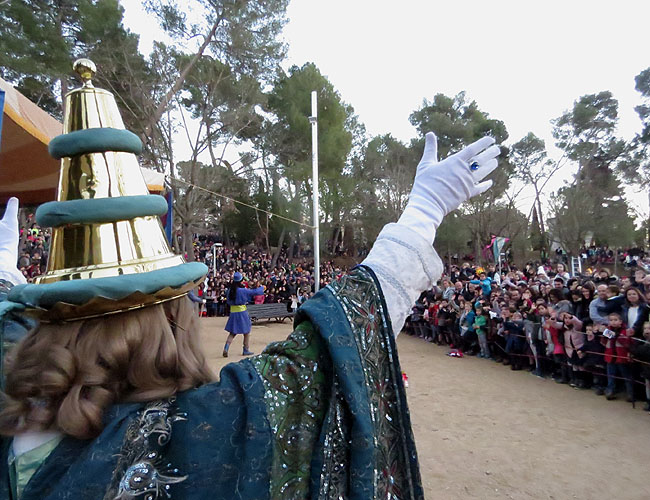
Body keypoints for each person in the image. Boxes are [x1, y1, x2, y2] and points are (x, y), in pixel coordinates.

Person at [0, 62, 502, 499]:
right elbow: (326, 354)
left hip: (223, 314)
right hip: (240, 316)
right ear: (167, 318)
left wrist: (6, 273)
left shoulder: (11, 399)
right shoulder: (188, 433)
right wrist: (423, 213)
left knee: (239, 334)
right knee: (239, 336)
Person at [222, 272, 264, 357]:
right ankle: (246, 349)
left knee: (232, 332)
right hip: (242, 312)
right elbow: (255, 292)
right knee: (246, 331)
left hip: (233, 313)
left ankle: (226, 348)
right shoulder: (242, 290)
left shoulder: (230, 290)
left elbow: (228, 301)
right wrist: (262, 287)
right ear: (240, 281)